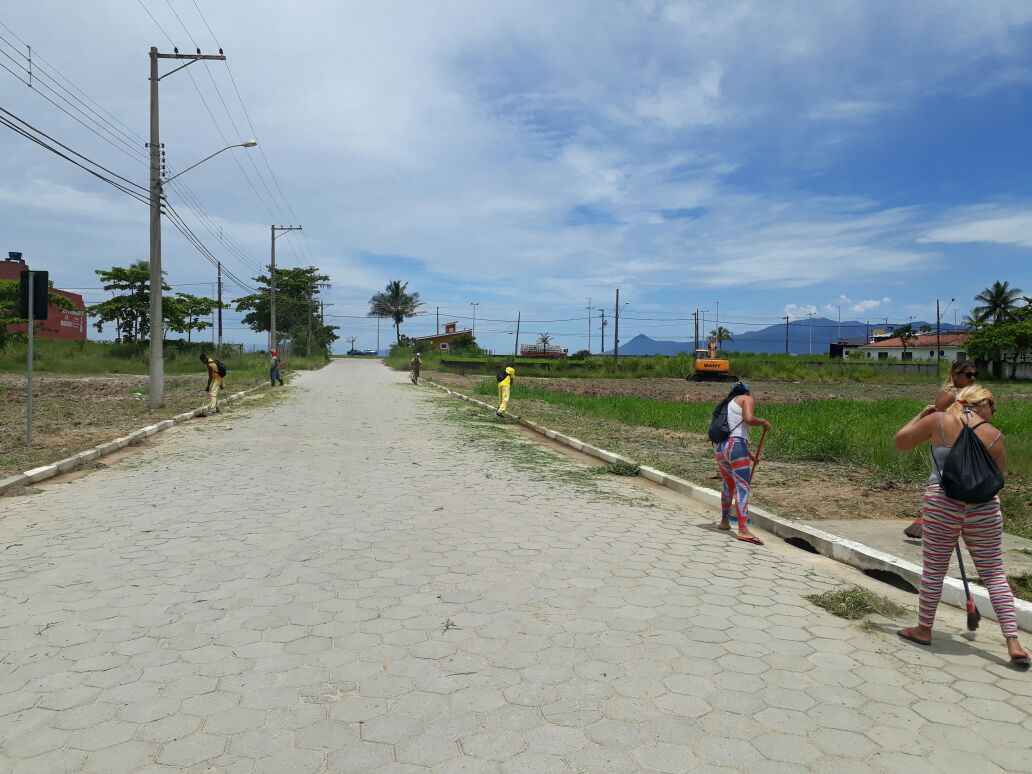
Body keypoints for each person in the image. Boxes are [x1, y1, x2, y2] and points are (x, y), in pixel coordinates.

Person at [895, 385, 1029, 669]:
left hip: (943, 503)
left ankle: (924, 629)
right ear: (983, 404)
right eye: (994, 406)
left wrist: (922, 414)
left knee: (934, 569)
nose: (995, 412)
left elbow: (901, 442)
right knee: (994, 573)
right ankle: (1013, 641)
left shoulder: (938, 422)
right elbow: (999, 477)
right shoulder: (994, 436)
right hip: (984, 507)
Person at [904, 359, 978, 538]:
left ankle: (937, 518)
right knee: (941, 477)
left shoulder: (970, 393)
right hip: (946, 440)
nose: (972, 378)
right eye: (968, 375)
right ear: (955, 375)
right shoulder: (949, 392)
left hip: (964, 437)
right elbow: (938, 411)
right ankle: (927, 518)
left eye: (975, 375)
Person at [713, 381, 771, 546]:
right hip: (735, 446)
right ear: (747, 391)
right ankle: (743, 530)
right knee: (742, 487)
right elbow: (748, 419)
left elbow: (732, 431)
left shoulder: (727, 404)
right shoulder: (746, 398)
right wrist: (763, 422)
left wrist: (750, 455)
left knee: (728, 485)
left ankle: (724, 521)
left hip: (720, 448)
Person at [200, 351, 223, 416]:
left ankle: (213, 409)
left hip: (217, 379)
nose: (203, 363)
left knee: (212, 393)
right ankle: (217, 408)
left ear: (204, 359)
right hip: (217, 379)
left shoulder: (209, 364)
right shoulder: (211, 360)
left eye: (202, 361)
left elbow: (210, 377)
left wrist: (207, 386)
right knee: (214, 393)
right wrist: (221, 383)